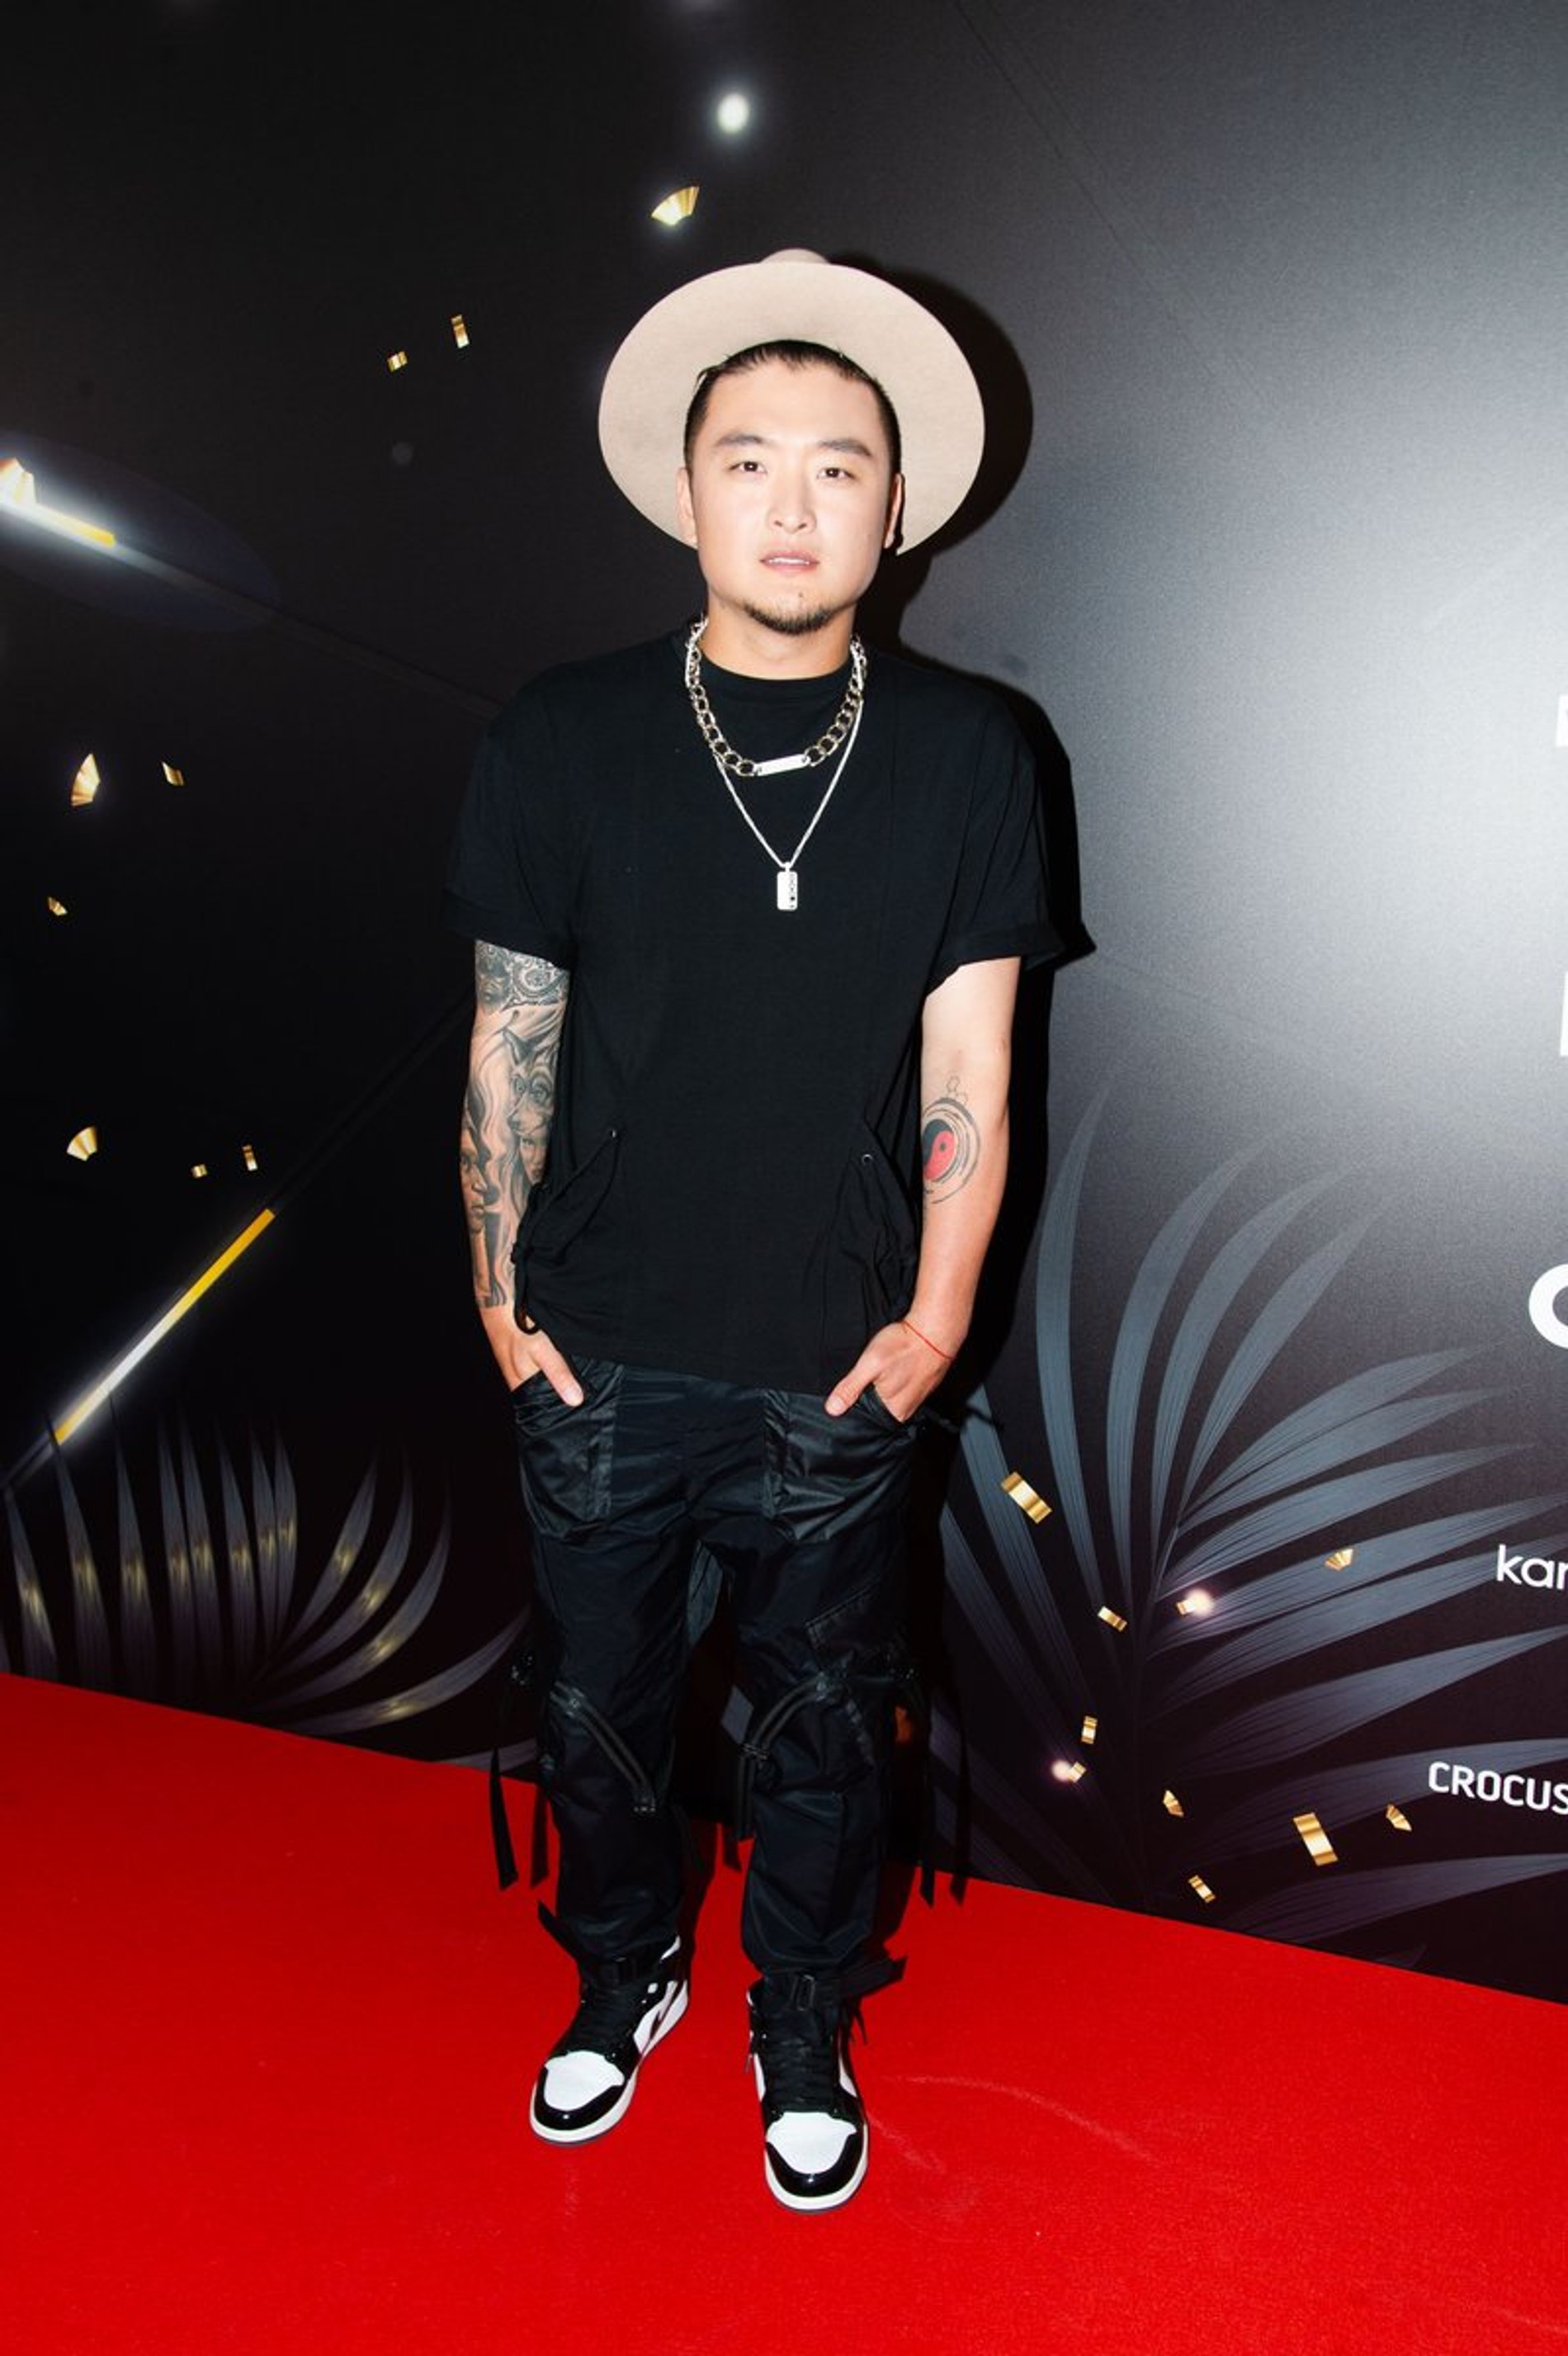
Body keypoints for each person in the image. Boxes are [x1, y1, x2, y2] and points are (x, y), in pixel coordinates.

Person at [445, 249, 1058, 2212]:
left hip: (835, 1351)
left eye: (835, 465)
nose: (791, 504)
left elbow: (973, 1062)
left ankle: (799, 2007)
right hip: (598, 1340)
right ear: (685, 489)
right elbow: (507, 1034)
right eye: (748, 460)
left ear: (897, 503)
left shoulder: (971, 753)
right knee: (597, 1715)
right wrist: (499, 1294)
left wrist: (935, 1318)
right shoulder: (560, 733)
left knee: (818, 1725)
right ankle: (620, 1971)